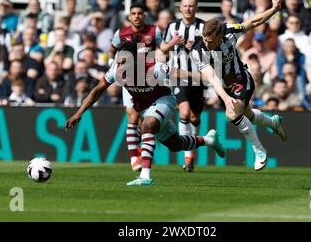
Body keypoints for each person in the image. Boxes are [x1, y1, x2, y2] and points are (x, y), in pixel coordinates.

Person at [65, 40, 226, 186]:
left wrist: (209, 78)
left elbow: (182, 74)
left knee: (148, 125)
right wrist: (79, 113)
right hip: (145, 108)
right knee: (176, 145)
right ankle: (209, 140)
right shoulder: (116, 71)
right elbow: (97, 90)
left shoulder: (153, 68)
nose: (119, 67)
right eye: (118, 62)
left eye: (123, 63)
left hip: (165, 101)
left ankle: (145, 175)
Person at [191, 0, 287, 171]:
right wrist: (226, 97)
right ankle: (273, 123)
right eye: (204, 39)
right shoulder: (198, 51)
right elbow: (211, 77)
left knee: (233, 114)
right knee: (247, 115)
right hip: (223, 86)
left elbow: (254, 21)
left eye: (210, 41)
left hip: (240, 78)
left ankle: (259, 151)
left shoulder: (230, 31)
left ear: (220, 36)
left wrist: (273, 10)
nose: (206, 43)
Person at [108, 2, 164, 172]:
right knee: (132, 116)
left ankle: (141, 150)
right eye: (134, 13)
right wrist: (113, 64)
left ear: (144, 15)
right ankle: (134, 159)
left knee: (146, 121)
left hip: (150, 80)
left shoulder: (155, 31)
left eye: (140, 13)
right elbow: (112, 50)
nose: (137, 16)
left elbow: (163, 50)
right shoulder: (121, 33)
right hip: (130, 79)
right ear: (129, 16)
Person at [160, 0, 205, 172]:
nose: (188, 9)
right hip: (179, 76)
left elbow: (212, 47)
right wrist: (173, 42)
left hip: (199, 76)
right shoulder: (173, 26)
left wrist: (198, 45)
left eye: (191, 6)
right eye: (185, 6)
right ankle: (187, 156)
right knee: (184, 112)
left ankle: (191, 152)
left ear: (196, 7)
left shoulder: (203, 27)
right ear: (180, 8)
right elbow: (163, 49)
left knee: (195, 117)